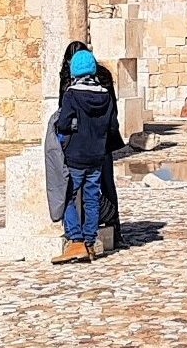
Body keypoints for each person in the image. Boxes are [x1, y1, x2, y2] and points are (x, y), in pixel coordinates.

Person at [50, 49, 123, 264]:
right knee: (91, 198)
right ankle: (90, 242)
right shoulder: (105, 95)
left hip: (75, 155)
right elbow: (112, 126)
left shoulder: (72, 94)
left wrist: (66, 136)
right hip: (97, 156)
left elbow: (63, 123)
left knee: (68, 196)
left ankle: (76, 240)